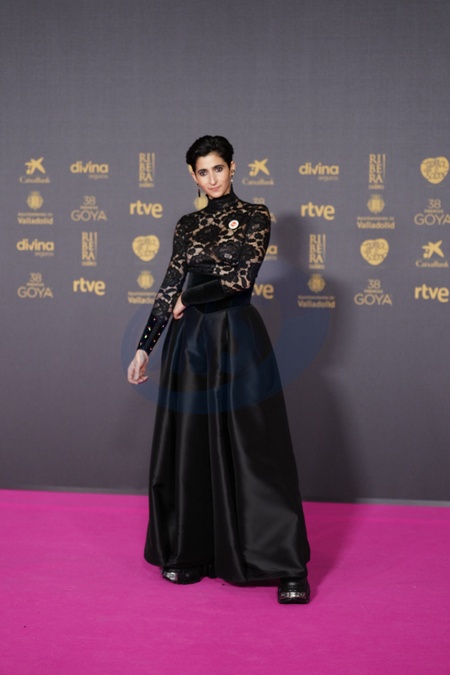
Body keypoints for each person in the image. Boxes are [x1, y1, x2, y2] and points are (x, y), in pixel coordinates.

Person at [127, 135, 310, 604]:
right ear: (192, 175)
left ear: (233, 167)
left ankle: (286, 565)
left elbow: (240, 278)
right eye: (202, 171)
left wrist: (189, 297)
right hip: (190, 345)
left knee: (254, 447)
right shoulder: (187, 224)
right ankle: (193, 553)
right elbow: (169, 285)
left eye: (218, 169)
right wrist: (145, 347)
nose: (212, 179)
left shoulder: (254, 215)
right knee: (191, 445)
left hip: (236, 338)